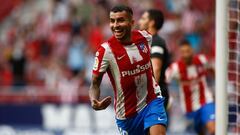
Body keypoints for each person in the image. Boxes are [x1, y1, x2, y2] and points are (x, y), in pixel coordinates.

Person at [89, 5, 167, 135]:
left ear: (132, 23)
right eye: (112, 21)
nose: (115, 25)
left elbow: (152, 63)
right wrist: (93, 100)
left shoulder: (145, 38)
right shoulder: (105, 51)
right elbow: (94, 84)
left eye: (120, 20)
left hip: (152, 102)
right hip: (126, 116)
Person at [165, 40, 215, 135]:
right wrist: (168, 98)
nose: (186, 55)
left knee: (213, 128)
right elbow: (164, 81)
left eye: (187, 51)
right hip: (189, 108)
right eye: (183, 52)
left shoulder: (201, 60)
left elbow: (212, 69)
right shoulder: (175, 68)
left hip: (206, 101)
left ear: (192, 51)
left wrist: (216, 85)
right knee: (200, 132)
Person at [138, 9, 170, 108]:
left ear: (151, 22)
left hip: (154, 97)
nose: (139, 21)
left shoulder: (156, 42)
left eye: (143, 18)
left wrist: (149, 95)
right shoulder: (146, 42)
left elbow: (156, 69)